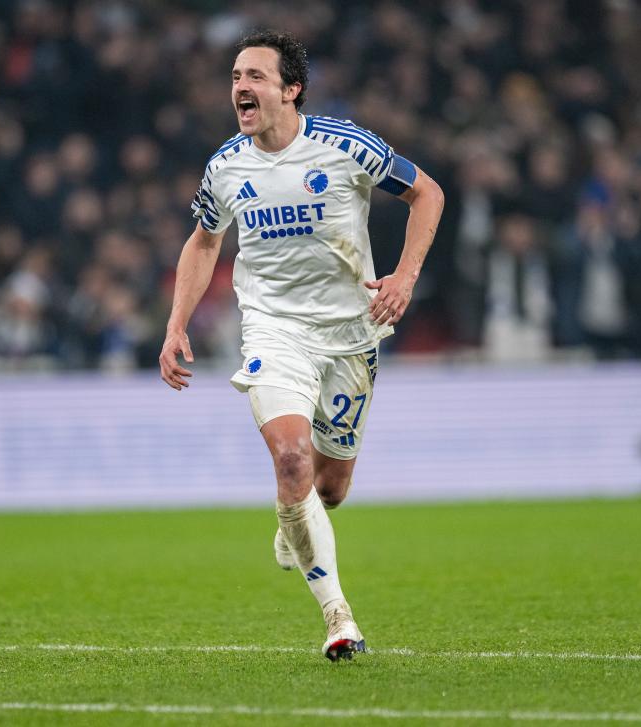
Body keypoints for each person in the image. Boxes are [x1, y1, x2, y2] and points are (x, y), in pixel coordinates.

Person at [159, 30, 444, 661]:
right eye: (236, 76)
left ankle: (295, 515)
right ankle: (339, 619)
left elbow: (429, 192)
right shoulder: (226, 166)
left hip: (350, 335)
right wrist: (176, 324)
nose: (240, 87)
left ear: (291, 90)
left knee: (329, 487)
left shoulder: (346, 146)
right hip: (273, 329)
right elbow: (204, 241)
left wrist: (404, 277)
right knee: (290, 460)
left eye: (255, 76)